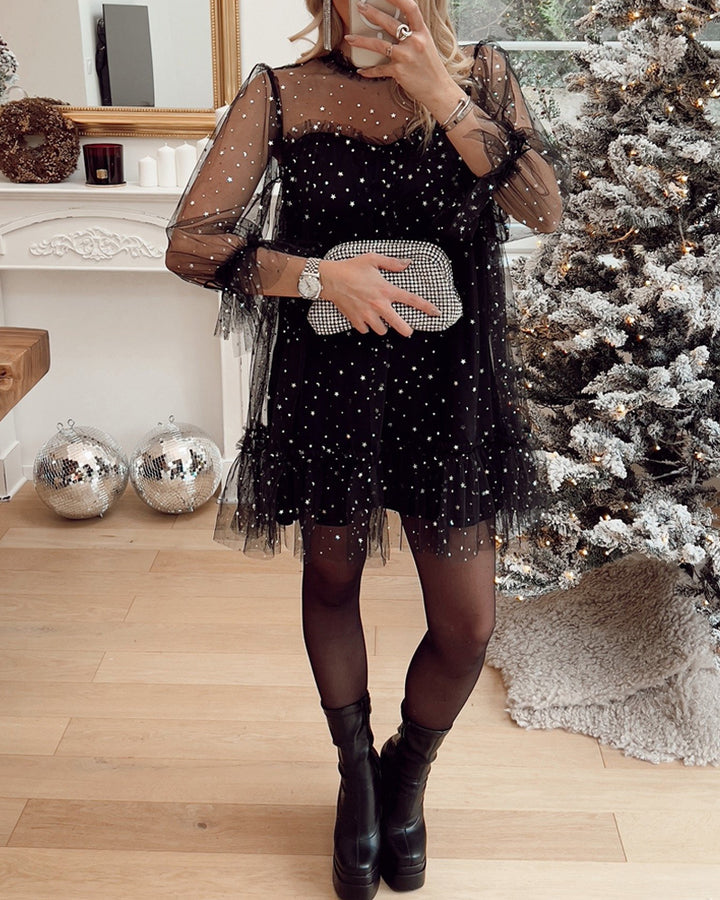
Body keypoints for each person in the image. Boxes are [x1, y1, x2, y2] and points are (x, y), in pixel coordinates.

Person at [166, 1, 563, 896]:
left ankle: (404, 773)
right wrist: (317, 276)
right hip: (332, 389)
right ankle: (355, 777)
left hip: (449, 390)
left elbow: (542, 207)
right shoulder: (283, 94)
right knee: (331, 580)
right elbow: (193, 245)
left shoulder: (481, 76)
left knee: (466, 625)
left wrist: (442, 95)